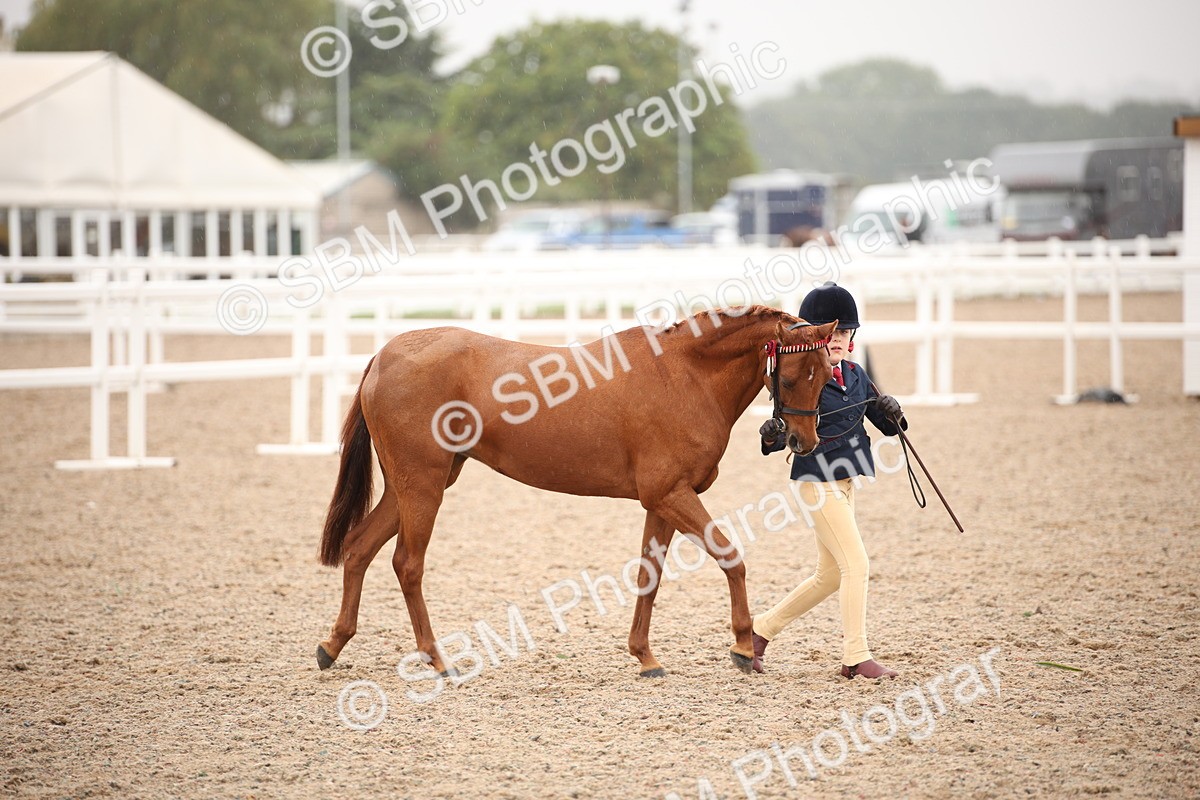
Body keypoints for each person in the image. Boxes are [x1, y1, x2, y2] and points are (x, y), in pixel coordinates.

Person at [753, 282, 907, 679]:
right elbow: (780, 431)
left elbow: (887, 426)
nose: (837, 340)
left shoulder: (856, 375)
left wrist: (893, 411)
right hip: (815, 481)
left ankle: (760, 630)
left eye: (843, 333)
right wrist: (771, 434)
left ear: (851, 337)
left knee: (830, 576)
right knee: (857, 563)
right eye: (830, 333)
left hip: (845, 481)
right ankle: (856, 656)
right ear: (813, 338)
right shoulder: (806, 376)